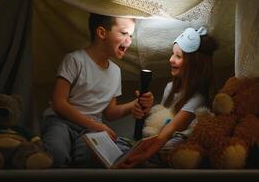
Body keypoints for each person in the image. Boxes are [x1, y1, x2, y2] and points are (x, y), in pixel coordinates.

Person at [41, 13, 154, 168]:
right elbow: (58, 103)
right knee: (56, 153)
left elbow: (110, 112)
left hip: (90, 130)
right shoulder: (75, 60)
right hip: (61, 122)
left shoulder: (115, 71)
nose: (129, 41)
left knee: (91, 157)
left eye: (131, 35)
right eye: (123, 33)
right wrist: (98, 126)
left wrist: (134, 104)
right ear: (102, 33)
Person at [119, 26, 216, 168]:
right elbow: (163, 122)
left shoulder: (197, 99)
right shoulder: (170, 87)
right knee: (121, 143)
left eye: (178, 56)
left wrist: (145, 154)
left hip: (173, 141)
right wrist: (145, 113)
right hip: (160, 137)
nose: (171, 59)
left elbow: (171, 128)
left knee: (173, 144)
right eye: (172, 54)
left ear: (194, 64)